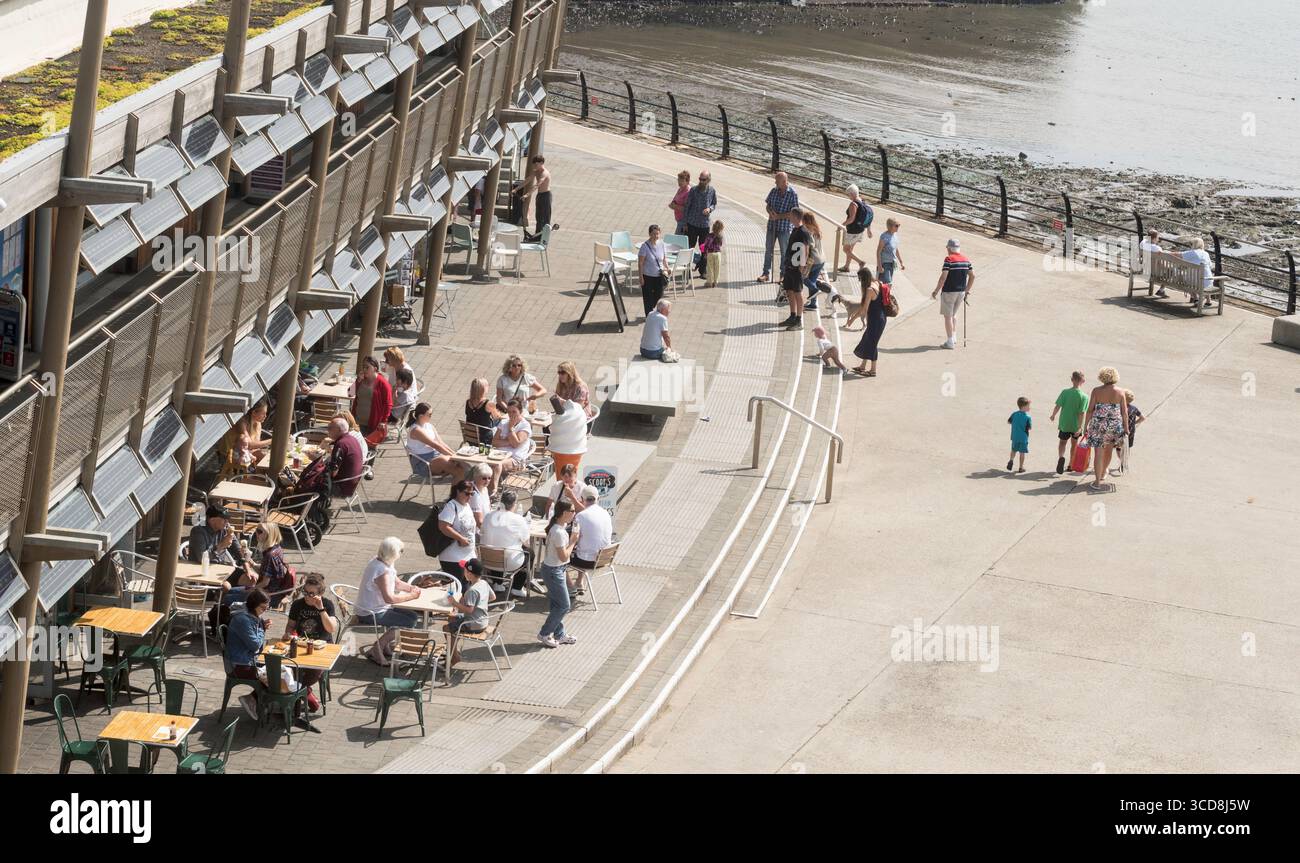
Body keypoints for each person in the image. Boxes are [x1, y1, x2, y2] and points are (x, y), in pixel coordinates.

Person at [356, 537, 422, 664]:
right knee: (408, 622)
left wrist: (411, 588)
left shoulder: (381, 561)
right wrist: (412, 596)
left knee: (412, 616)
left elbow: (396, 582)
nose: (401, 553)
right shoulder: (382, 571)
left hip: (377, 607)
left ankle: (383, 645)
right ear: (393, 553)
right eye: (400, 551)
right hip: (371, 612)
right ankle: (378, 647)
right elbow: (390, 598)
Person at [283, 573, 335, 719]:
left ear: (320, 593)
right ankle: (302, 697)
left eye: (311, 594)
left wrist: (321, 609)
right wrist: (288, 633)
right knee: (286, 669)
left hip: (321, 648)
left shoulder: (327, 604)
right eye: (305, 592)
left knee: (310, 675)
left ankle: (295, 697)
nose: (307, 596)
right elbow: (291, 625)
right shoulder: (298, 604)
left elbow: (331, 629)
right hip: (300, 646)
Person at [220, 522, 293, 609]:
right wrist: (251, 562)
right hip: (274, 591)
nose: (256, 534)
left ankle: (237, 618)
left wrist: (251, 589)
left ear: (269, 534)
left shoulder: (270, 555)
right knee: (230, 591)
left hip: (268, 595)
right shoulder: (277, 548)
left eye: (260, 531)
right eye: (256, 531)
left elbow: (265, 583)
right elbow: (267, 571)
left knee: (227, 598)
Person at [537, 499, 580, 648]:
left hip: (555, 569)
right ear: (564, 513)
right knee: (564, 605)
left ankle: (559, 634)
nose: (574, 513)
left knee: (556, 604)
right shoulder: (558, 532)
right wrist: (574, 540)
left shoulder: (559, 527)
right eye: (572, 511)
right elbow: (564, 556)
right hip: (553, 571)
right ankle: (544, 633)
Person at [227, 588, 272, 721]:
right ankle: (252, 700)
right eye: (263, 608)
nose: (265, 610)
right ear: (253, 605)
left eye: (266, 608)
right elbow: (255, 645)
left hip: (248, 660)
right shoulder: (243, 620)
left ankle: (259, 701)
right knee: (276, 678)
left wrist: (261, 625)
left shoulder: (252, 615)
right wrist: (262, 629)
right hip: (239, 665)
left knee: (280, 669)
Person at [1083, 367, 1129, 490]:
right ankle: (1103, 473)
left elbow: (1090, 410)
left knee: (1098, 453)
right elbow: (1124, 412)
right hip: (1114, 425)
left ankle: (1097, 482)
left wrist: (1085, 426)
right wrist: (1126, 427)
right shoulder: (1120, 392)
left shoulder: (1096, 391)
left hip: (1098, 425)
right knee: (1108, 451)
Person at [480, 490, 531, 599]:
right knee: (530, 553)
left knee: (497, 546)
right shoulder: (518, 519)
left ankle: (497, 583)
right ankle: (517, 588)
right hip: (508, 563)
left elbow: (482, 533)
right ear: (515, 504)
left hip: (486, 559)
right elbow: (527, 543)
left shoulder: (488, 516)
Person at [443, 558, 493, 666]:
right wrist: (479, 603)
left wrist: (454, 603)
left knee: (446, 628)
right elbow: (493, 597)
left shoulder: (472, 590)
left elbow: (469, 610)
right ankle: (453, 649)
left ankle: (454, 657)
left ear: (469, 573)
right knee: (451, 618)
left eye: (464, 570)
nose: (463, 572)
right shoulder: (484, 583)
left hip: (473, 623)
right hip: (484, 620)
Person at [404, 402, 464, 483]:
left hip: (434, 457)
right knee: (450, 462)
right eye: (429, 414)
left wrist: (455, 455)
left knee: (459, 467)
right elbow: (435, 445)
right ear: (421, 416)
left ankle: (460, 486)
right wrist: (454, 457)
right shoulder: (416, 430)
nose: (431, 416)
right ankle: (458, 488)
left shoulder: (429, 426)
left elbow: (441, 443)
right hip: (422, 463)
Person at [569, 487, 612, 597]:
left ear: (582, 499)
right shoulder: (606, 513)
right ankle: (579, 582)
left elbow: (574, 539)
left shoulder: (580, 516)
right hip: (604, 559)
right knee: (585, 547)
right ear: (598, 498)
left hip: (587, 561)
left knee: (560, 556)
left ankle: (570, 587)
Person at [931, 238, 973, 350]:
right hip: (961, 292)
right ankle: (954, 337)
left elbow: (943, 277)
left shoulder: (949, 259)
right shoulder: (966, 259)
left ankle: (949, 341)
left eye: (947, 248)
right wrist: (967, 289)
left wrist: (936, 291)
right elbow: (972, 276)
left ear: (949, 248)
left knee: (948, 316)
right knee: (954, 314)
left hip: (949, 291)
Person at [758, 171, 798, 283]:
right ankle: (765, 273)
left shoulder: (792, 194)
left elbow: (794, 213)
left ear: (784, 181)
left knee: (784, 252)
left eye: (777, 181)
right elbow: (768, 205)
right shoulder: (774, 191)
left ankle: (783, 275)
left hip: (784, 228)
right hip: (772, 225)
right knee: (768, 250)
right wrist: (770, 212)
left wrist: (779, 216)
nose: (775, 182)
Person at [1049, 371, 1089, 475]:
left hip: (1064, 423)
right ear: (1083, 381)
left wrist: (1053, 415)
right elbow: (1082, 413)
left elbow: (1058, 405)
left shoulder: (1065, 392)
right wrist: (1080, 427)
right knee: (1074, 445)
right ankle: (1070, 465)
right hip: (1075, 425)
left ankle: (1061, 457)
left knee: (1062, 442)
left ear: (1072, 380)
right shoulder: (1084, 396)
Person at [850, 267, 887, 377]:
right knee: (867, 340)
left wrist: (853, 318)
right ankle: (862, 366)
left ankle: (873, 370)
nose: (860, 281)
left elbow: (864, 309)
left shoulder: (870, 290)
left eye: (860, 279)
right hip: (881, 318)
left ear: (863, 278)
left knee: (872, 343)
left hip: (875, 320)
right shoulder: (878, 282)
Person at [188, 504, 246, 569]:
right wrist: (221, 545)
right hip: (200, 570)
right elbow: (202, 558)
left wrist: (247, 569)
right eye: (224, 519)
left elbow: (238, 550)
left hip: (220, 567)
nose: (227, 522)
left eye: (227, 519)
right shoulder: (198, 532)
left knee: (249, 578)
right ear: (212, 520)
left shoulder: (225, 528)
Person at [780, 208, 810, 330]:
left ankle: (798, 320)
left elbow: (806, 250)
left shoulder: (803, 232)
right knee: (789, 291)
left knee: (798, 292)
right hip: (790, 266)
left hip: (797, 267)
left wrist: (802, 267)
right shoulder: (795, 229)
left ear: (796, 217)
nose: (789, 218)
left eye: (791, 216)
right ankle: (792, 316)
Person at [438, 480, 479, 567]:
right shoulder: (451, 506)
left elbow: (470, 530)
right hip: (453, 557)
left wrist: (473, 549)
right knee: (459, 580)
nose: (469, 497)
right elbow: (443, 526)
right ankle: (427, 580)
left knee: (468, 580)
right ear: (458, 491)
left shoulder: (467, 506)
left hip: (469, 555)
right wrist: (460, 538)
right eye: (467, 493)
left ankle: (428, 580)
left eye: (472, 494)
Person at [515, 154, 555, 242]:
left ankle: (544, 238)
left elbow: (537, 185)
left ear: (541, 163)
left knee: (545, 218)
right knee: (539, 217)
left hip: (546, 196)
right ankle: (538, 236)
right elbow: (527, 180)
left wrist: (527, 195)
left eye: (536, 164)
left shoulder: (544, 173)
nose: (535, 166)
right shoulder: (536, 171)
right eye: (534, 165)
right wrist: (516, 189)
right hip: (539, 196)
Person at [349, 356, 393, 436]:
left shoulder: (383, 384)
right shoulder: (361, 379)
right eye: (363, 367)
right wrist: (358, 381)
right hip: (357, 422)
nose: (364, 370)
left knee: (366, 447)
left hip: (373, 425)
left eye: (367, 367)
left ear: (375, 369)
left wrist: (383, 421)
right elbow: (350, 393)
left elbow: (388, 404)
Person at [546, 395, 588, 478]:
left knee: (564, 479)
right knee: (567, 479)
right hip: (575, 448)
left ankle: (564, 490)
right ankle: (564, 490)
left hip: (562, 448)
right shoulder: (578, 412)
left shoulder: (573, 411)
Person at [492, 398, 533, 477]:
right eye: (509, 412)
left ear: (520, 412)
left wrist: (511, 428)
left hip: (515, 459)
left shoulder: (525, 425)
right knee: (482, 467)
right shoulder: (503, 422)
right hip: (499, 455)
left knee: (495, 466)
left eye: (514, 411)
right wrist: (508, 441)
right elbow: (494, 442)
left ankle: (494, 489)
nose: (511, 414)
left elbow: (515, 444)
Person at [325, 418, 364, 497]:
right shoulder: (352, 439)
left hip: (342, 487)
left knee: (310, 482)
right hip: (352, 483)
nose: (327, 430)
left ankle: (311, 507)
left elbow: (333, 472)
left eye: (330, 428)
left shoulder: (341, 444)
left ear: (338, 430)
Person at [839, 184, 873, 272]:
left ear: (852, 194)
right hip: (860, 230)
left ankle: (860, 262)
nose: (848, 197)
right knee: (851, 250)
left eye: (848, 194)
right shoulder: (862, 201)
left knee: (846, 249)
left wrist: (841, 225)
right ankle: (846, 266)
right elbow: (866, 216)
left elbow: (851, 219)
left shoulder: (853, 204)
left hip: (852, 230)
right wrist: (869, 230)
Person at [638, 224, 669, 317]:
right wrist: (641, 277)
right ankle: (648, 315)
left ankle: (650, 309)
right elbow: (640, 263)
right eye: (654, 234)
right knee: (647, 297)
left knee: (659, 294)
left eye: (658, 234)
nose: (656, 236)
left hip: (659, 275)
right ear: (649, 234)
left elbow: (664, 258)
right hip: (647, 275)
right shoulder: (644, 246)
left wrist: (667, 267)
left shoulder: (662, 244)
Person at [801, 211, 828, 313]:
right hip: (821, 259)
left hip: (813, 260)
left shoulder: (808, 231)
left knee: (802, 277)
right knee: (812, 280)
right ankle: (813, 304)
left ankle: (815, 290)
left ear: (805, 220)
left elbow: (810, 246)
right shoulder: (817, 229)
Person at [683, 170, 717, 249]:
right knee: (689, 247)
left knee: (704, 247)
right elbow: (687, 206)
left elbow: (714, 204)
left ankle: (702, 261)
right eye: (700, 179)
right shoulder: (693, 190)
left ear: (709, 180)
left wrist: (709, 209)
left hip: (704, 225)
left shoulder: (712, 191)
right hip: (692, 224)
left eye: (703, 180)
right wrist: (685, 223)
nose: (701, 181)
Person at [1178, 236, 1215, 308]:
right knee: (1206, 278)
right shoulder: (1206, 254)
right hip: (1206, 282)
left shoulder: (1191, 253)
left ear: (1194, 245)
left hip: (1193, 283)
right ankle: (1208, 301)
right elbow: (1210, 266)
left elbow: (1177, 254)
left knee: (1188, 280)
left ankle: (1196, 298)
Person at [465, 377, 497, 445]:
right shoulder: (489, 404)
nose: (489, 386)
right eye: (487, 385)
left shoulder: (468, 402)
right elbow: (496, 417)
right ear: (482, 389)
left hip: (471, 436)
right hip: (484, 437)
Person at [876, 218, 905, 286]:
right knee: (887, 283)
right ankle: (884, 296)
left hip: (892, 263)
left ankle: (885, 296)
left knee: (887, 283)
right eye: (896, 225)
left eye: (898, 225)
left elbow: (896, 249)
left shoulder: (895, 236)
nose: (898, 227)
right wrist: (880, 266)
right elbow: (878, 251)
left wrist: (901, 262)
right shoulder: (884, 236)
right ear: (890, 226)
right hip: (885, 264)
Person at [1007, 397, 1032, 473]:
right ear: (1024, 407)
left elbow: (1009, 422)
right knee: (1022, 452)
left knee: (1013, 450)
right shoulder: (1028, 417)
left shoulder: (1014, 414)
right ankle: (1021, 467)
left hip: (1014, 436)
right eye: (1028, 406)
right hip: (1023, 438)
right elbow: (1029, 427)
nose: (1029, 407)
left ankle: (1011, 460)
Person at [1138, 229, 1166, 297]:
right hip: (1155, 273)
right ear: (1154, 238)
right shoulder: (1157, 249)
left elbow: (1145, 240)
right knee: (1171, 271)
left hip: (1145, 269)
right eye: (1158, 237)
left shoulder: (1142, 244)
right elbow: (1161, 262)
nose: (1158, 239)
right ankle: (1161, 289)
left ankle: (1161, 290)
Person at [696, 219, 725, 284]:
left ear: (713, 227)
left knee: (710, 268)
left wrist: (705, 253)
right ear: (721, 229)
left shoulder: (709, 235)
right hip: (718, 253)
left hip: (710, 253)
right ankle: (715, 281)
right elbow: (720, 244)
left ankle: (709, 282)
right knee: (717, 268)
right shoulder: (720, 236)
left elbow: (706, 245)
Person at [468, 464, 493, 529]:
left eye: (489, 478)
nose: (487, 481)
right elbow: (479, 522)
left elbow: (488, 507)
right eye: (484, 478)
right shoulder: (474, 495)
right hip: (476, 529)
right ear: (476, 477)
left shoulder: (484, 488)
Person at [669, 169, 691, 234]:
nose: (679, 182)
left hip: (684, 221)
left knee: (677, 240)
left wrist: (675, 206)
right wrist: (672, 203)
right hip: (679, 219)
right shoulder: (681, 189)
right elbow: (675, 199)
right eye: (678, 180)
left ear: (687, 181)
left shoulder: (688, 192)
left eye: (681, 180)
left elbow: (686, 209)